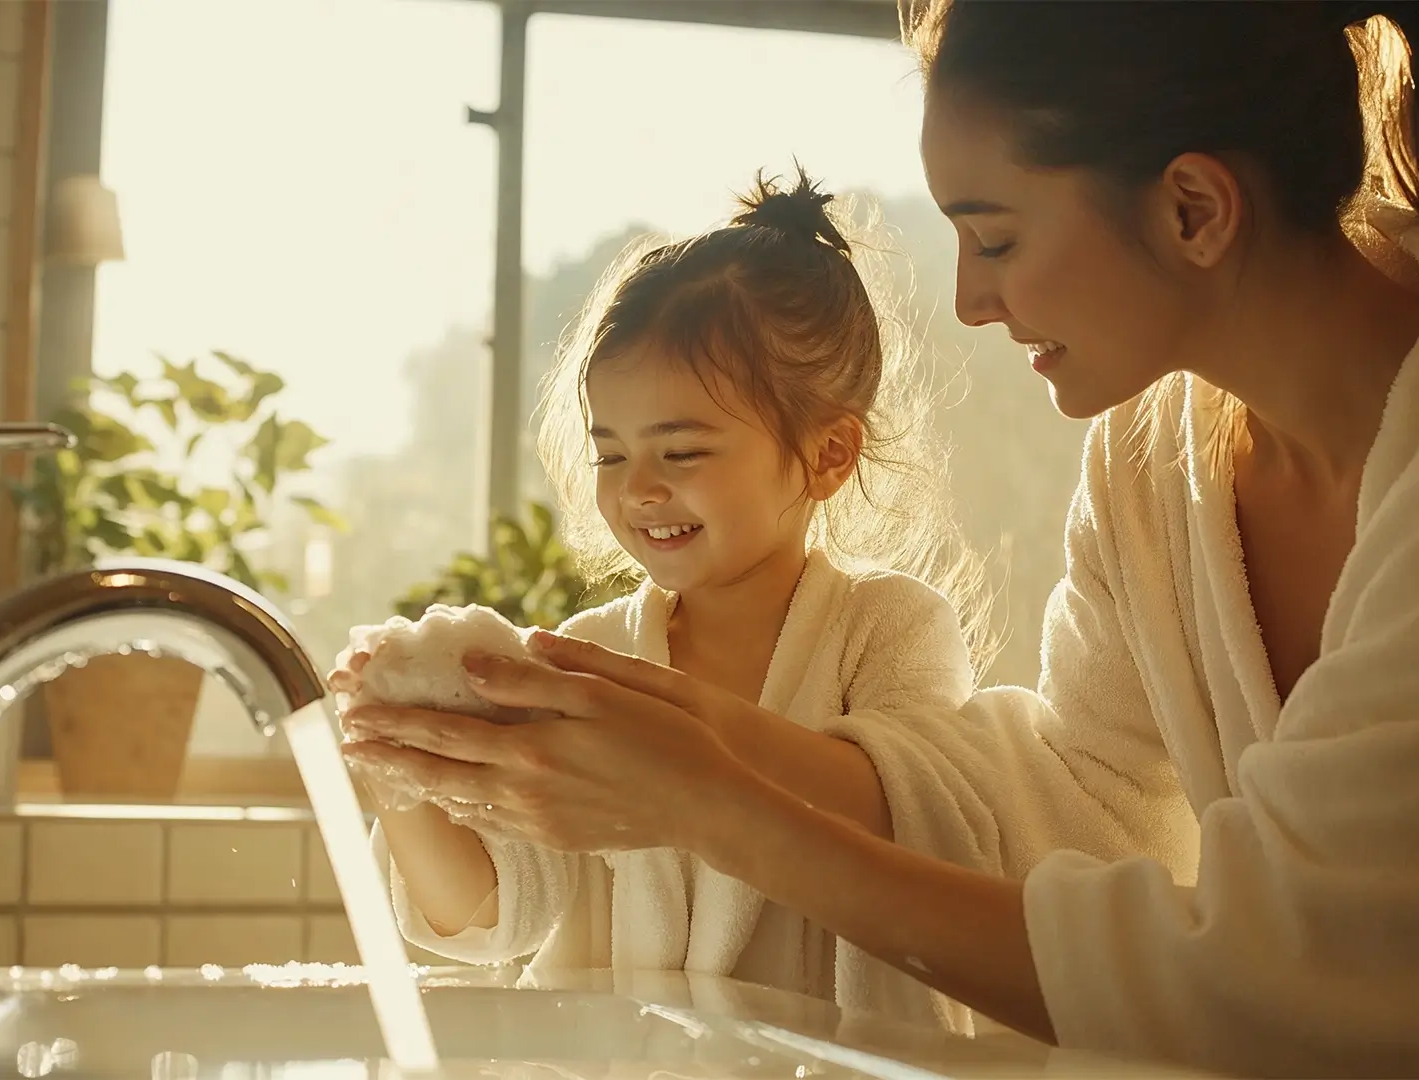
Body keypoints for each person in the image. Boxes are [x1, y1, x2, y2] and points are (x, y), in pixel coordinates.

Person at [341, 1, 1419, 1075]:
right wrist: (658, 722)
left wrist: (708, 796)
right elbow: (1073, 800)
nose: (967, 301)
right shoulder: (1154, 465)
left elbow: (1267, 978)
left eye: (996, 237)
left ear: (1194, 210)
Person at [334, 170, 1000, 1030]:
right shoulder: (587, 653)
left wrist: (684, 770)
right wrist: (403, 773)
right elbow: (497, 917)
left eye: (680, 454)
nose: (638, 490)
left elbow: (911, 819)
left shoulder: (889, 629)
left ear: (830, 453)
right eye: (611, 455)